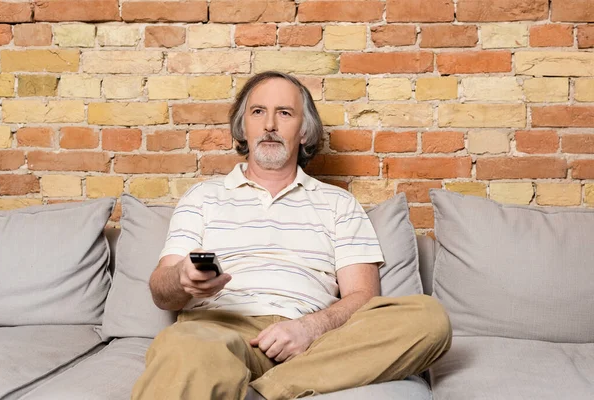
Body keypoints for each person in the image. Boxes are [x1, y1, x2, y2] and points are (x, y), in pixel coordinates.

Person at [131, 71, 451, 400]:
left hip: (315, 344)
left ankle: (263, 391)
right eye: (258, 112)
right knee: (184, 345)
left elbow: (363, 296)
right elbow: (161, 293)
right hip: (218, 333)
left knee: (429, 319)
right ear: (243, 128)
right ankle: (259, 382)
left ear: (304, 132)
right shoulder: (202, 197)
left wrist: (308, 329)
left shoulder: (339, 203)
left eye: (284, 113)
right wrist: (182, 278)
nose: (269, 124)